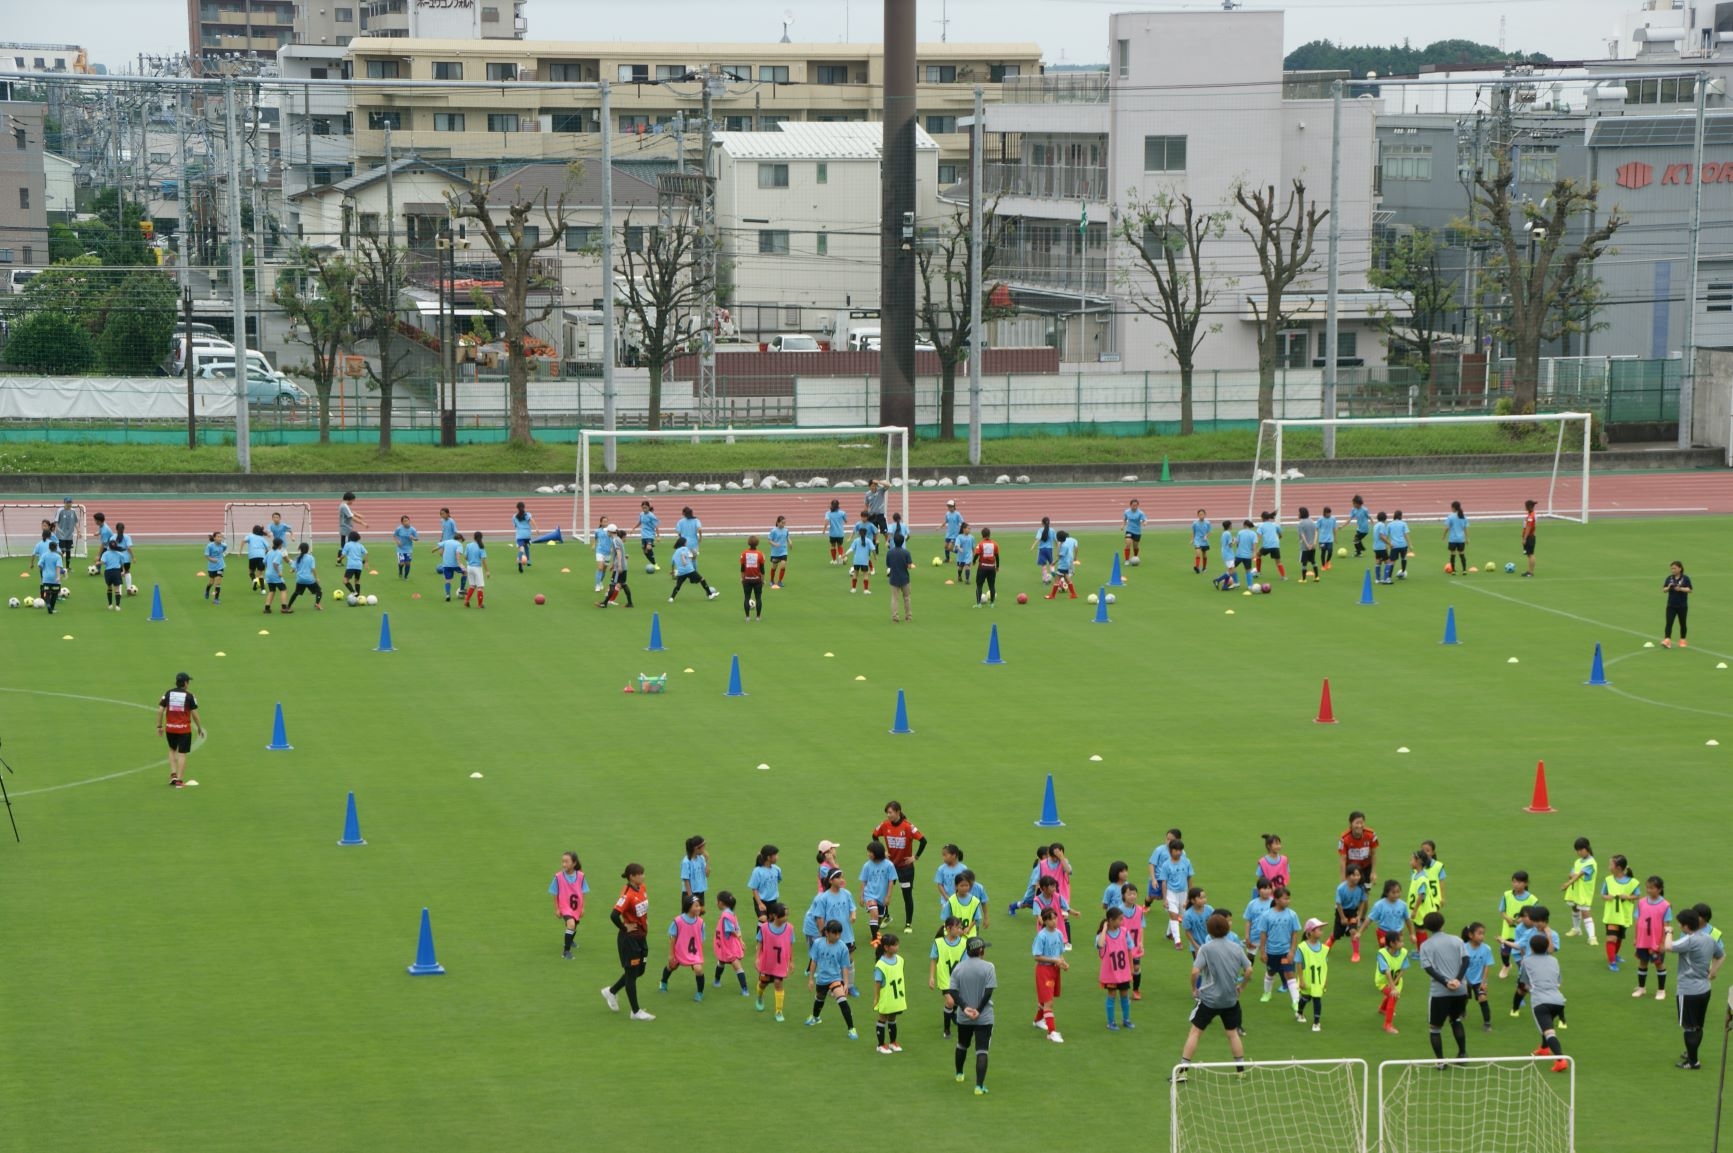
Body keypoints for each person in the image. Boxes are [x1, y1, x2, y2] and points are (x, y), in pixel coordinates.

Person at [1173, 913, 1253, 1082]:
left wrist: (1194, 989)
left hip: (1209, 1000)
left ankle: (1183, 1072)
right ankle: (1240, 1071)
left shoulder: (1206, 948)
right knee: (1232, 1034)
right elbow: (1249, 969)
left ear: (1209, 930)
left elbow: (1195, 972)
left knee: (1195, 1032)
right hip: (1230, 999)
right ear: (1227, 928)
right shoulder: (1236, 947)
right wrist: (1242, 986)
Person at [1666, 907, 1725, 1069]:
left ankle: (1693, 1061)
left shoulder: (1689, 940)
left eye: (1680, 924)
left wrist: (1668, 932)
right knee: (1698, 1026)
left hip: (1688, 990)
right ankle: (1692, 1055)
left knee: (1689, 1028)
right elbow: (1721, 955)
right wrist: (1712, 972)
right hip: (1705, 989)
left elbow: (1668, 947)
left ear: (1686, 926)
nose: (1679, 926)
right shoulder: (1709, 938)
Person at [601, 863, 654, 1020]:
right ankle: (635, 1012)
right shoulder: (627, 895)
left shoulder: (642, 888)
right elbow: (614, 915)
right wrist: (625, 927)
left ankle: (611, 991)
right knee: (631, 974)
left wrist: (645, 920)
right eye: (640, 874)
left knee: (639, 971)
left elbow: (642, 909)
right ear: (632, 876)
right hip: (629, 940)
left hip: (641, 937)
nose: (643, 876)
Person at [946, 937, 997, 1095]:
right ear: (980, 950)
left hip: (964, 1016)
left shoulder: (959, 968)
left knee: (962, 1045)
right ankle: (979, 1086)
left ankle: (959, 1074)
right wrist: (979, 1010)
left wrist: (965, 1007)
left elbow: (952, 991)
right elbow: (988, 991)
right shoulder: (988, 967)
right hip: (984, 1017)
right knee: (982, 1051)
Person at [1418, 911, 1470, 1062]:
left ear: (1426, 927)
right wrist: (1458, 980)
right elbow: (1466, 960)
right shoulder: (1457, 940)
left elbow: (1429, 968)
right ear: (1443, 923)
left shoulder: (1425, 945)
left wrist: (1446, 982)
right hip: (1460, 990)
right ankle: (1462, 1054)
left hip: (1440, 992)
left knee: (1435, 1029)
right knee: (1456, 1020)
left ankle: (1440, 1061)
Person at [870, 801, 927, 931]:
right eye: (887, 813)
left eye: (890, 812)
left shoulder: (908, 827)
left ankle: (908, 924)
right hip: (890, 867)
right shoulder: (885, 825)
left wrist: (915, 857)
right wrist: (882, 852)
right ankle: (886, 916)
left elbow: (923, 841)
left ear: (898, 812)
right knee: (883, 892)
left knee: (906, 895)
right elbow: (874, 836)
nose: (888, 815)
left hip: (905, 869)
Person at [1517, 934, 1570, 1072]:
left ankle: (1560, 1060)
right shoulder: (1554, 960)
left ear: (1531, 948)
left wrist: (1528, 990)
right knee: (1546, 1023)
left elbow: (1523, 983)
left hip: (1540, 1002)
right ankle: (1544, 1048)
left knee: (1549, 1032)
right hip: (1558, 1001)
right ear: (1547, 947)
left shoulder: (1526, 961)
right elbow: (1558, 981)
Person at [804, 919, 858, 1039]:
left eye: (839, 933)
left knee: (842, 1001)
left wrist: (846, 984)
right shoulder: (818, 943)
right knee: (819, 999)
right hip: (821, 979)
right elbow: (814, 961)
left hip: (835, 979)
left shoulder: (843, 947)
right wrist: (811, 979)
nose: (838, 936)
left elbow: (844, 967)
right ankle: (816, 1017)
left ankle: (851, 1028)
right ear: (827, 933)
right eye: (835, 933)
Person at [1255, 885, 1302, 1013]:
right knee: (1271, 972)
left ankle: (1296, 1001)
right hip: (1271, 953)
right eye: (1285, 899)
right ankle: (1267, 993)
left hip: (1285, 953)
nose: (1288, 901)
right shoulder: (1266, 915)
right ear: (1276, 900)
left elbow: (1294, 934)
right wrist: (1263, 952)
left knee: (1289, 973)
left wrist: (1292, 951)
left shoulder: (1292, 915)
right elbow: (1263, 934)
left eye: (1288, 898)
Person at [156, 671, 205, 789]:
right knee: (182, 753)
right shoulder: (189, 696)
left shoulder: (168, 693)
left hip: (170, 728)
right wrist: (199, 728)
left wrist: (159, 726)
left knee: (172, 749)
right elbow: (194, 714)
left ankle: (173, 775)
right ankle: (179, 780)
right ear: (185, 683)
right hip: (184, 730)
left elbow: (160, 710)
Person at [1633, 875, 1672, 999]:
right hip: (1643, 940)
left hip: (1656, 941)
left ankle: (1661, 990)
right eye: (1647, 887)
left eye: (1651, 888)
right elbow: (1638, 921)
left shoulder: (1665, 905)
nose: (1648, 890)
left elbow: (1666, 926)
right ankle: (1641, 988)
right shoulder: (1641, 902)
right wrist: (1636, 938)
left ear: (1659, 889)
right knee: (1642, 962)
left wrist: (1662, 943)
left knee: (1658, 964)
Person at [1096, 906, 1135, 1030]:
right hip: (1110, 973)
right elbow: (1100, 944)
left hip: (1123, 972)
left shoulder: (1124, 932)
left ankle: (1126, 1020)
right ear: (1111, 920)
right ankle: (1111, 1022)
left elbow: (1130, 950)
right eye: (1119, 919)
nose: (1122, 922)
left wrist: (1131, 968)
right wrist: (1104, 929)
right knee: (1111, 995)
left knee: (1125, 995)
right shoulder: (1102, 936)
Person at [930, 915, 968, 1039]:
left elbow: (965, 962)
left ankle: (951, 1014)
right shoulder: (938, 942)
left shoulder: (963, 943)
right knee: (950, 1001)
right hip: (944, 977)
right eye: (957, 927)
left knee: (956, 1001)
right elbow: (933, 960)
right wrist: (931, 977)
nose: (960, 930)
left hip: (958, 978)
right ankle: (946, 1030)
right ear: (948, 928)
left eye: (960, 927)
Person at [755, 901, 794, 1019]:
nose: (786, 918)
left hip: (781, 962)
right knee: (763, 983)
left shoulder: (789, 928)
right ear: (776, 916)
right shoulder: (764, 928)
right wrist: (757, 958)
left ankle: (779, 1011)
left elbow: (790, 945)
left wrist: (791, 961)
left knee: (778, 983)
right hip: (767, 961)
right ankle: (759, 997)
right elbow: (760, 943)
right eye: (784, 915)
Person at [1497, 870, 1539, 978]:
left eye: (1519, 882)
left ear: (1526, 883)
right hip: (1508, 930)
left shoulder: (1532, 899)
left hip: (1524, 932)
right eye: (1514, 882)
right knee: (1504, 952)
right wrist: (1507, 918)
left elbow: (1537, 915)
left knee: (1522, 953)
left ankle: (1524, 972)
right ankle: (1506, 965)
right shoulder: (1507, 895)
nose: (1516, 884)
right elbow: (1502, 910)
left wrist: (1524, 919)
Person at [859, 841, 897, 956]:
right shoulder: (867, 865)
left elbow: (891, 882)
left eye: (870, 852)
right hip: (870, 894)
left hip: (882, 896)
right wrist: (861, 896)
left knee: (879, 917)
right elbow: (863, 881)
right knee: (874, 913)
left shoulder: (889, 865)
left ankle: (875, 931)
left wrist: (888, 896)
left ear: (876, 852)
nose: (868, 854)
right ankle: (875, 939)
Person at [1602, 855, 1639, 972]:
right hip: (1612, 914)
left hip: (1624, 915)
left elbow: (1637, 895)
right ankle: (1612, 962)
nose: (1609, 867)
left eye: (1610, 864)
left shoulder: (1632, 882)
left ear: (1618, 868)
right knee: (1611, 938)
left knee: (1619, 937)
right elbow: (1603, 894)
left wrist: (1627, 897)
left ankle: (1614, 955)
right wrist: (1607, 897)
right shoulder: (1608, 880)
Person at [1154, 839, 1194, 949]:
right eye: (1176, 850)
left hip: (1183, 893)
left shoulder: (1187, 862)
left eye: (1180, 850)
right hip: (1171, 893)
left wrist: (1190, 896)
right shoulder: (1166, 865)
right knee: (1174, 915)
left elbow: (1190, 878)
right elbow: (1164, 882)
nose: (1179, 852)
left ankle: (1169, 933)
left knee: (1182, 915)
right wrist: (1165, 899)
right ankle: (1178, 941)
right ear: (1170, 851)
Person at [873, 932, 908, 1053]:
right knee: (883, 1018)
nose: (897, 947)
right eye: (894, 945)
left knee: (893, 1017)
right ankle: (880, 1045)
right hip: (886, 996)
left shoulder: (900, 960)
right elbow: (878, 983)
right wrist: (876, 997)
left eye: (897, 944)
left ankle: (893, 1042)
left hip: (896, 996)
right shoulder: (880, 964)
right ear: (886, 947)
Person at [550, 851, 588, 959]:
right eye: (563, 861)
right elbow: (554, 893)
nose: (564, 864)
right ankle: (566, 951)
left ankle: (570, 940)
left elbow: (583, 892)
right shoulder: (558, 877)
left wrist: (583, 907)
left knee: (574, 926)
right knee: (571, 924)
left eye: (567, 862)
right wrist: (557, 909)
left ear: (574, 863)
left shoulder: (581, 876)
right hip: (565, 906)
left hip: (576, 907)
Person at [711, 891, 750, 996]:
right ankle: (717, 981)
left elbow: (731, 930)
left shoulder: (725, 915)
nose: (716, 903)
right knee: (721, 961)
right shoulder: (732, 914)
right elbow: (737, 928)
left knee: (735, 965)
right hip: (727, 944)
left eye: (717, 901)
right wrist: (741, 940)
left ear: (721, 903)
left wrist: (738, 938)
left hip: (728, 945)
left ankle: (744, 989)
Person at [1562, 836, 1599, 946]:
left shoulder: (1591, 862)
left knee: (1585, 913)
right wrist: (1571, 877)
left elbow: (1579, 875)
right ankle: (1576, 929)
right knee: (1574, 907)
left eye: (1581, 850)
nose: (1579, 852)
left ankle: (1592, 937)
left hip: (1584, 892)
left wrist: (1567, 883)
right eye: (1577, 850)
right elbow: (1572, 874)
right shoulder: (1578, 861)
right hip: (1575, 890)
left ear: (1587, 848)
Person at [1296, 918, 1329, 1030]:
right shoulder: (1302, 947)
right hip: (1307, 978)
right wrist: (1301, 980)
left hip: (1318, 980)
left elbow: (1324, 966)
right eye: (1319, 929)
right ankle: (1299, 1012)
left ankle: (1316, 1023)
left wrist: (1325, 980)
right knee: (1306, 997)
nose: (1321, 932)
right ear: (1310, 932)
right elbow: (1299, 964)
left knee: (1317, 999)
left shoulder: (1324, 948)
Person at [1376, 929, 1410, 1034]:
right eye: (1400, 941)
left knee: (1394, 994)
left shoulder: (1403, 952)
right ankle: (1387, 1025)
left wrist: (1395, 983)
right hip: (1382, 982)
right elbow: (1386, 971)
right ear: (1392, 943)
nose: (1403, 943)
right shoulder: (1382, 954)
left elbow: (1403, 968)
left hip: (1396, 981)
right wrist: (1392, 987)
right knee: (1393, 996)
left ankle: (1382, 1009)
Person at [1462, 922, 1495, 1031]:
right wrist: (1463, 980)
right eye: (1479, 933)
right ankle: (1462, 1010)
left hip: (1479, 980)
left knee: (1482, 998)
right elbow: (1460, 965)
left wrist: (1483, 982)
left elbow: (1487, 966)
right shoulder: (1463, 948)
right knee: (1463, 997)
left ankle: (1487, 1023)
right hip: (1465, 979)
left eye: (1483, 934)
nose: (1482, 936)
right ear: (1471, 935)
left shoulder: (1486, 948)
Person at [1369, 879, 1413, 952]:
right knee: (1385, 952)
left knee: (1397, 952)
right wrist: (1359, 932)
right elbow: (1369, 919)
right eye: (1393, 892)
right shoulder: (1379, 905)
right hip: (1383, 933)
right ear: (1387, 893)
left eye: (1398, 892)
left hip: (1398, 933)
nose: (1396, 895)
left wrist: (1411, 934)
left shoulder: (1403, 905)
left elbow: (1407, 920)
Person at [668, 537, 719, 602]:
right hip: (689, 570)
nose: (686, 543)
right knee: (702, 579)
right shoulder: (685, 548)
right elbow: (684, 554)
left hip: (681, 572)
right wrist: (685, 559)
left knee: (678, 586)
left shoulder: (674, 553)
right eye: (686, 542)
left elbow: (672, 563)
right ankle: (710, 595)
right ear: (683, 543)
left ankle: (671, 598)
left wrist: (673, 572)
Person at [1335, 864, 1367, 963]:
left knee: (1353, 931)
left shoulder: (1361, 888)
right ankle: (1328, 944)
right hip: (1341, 911)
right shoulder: (1341, 888)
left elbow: (1363, 901)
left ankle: (1356, 953)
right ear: (1348, 876)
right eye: (1354, 875)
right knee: (1337, 934)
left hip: (1353, 911)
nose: (1357, 877)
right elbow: (1338, 904)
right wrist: (1342, 917)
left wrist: (1359, 915)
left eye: (1358, 875)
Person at [1339, 810, 1380, 886]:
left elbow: (1373, 854)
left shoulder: (1371, 835)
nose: (1359, 826)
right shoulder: (1344, 838)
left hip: (1366, 868)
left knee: (1366, 890)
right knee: (1352, 890)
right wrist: (1343, 879)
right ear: (1350, 824)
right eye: (1357, 823)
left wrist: (1373, 872)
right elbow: (1343, 859)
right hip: (1351, 869)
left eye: (1361, 823)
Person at [599, 526, 633, 608]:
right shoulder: (618, 539)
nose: (607, 533)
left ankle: (604, 603)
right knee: (623, 584)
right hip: (623, 565)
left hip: (619, 567)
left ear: (610, 532)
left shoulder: (615, 540)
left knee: (612, 585)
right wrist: (613, 564)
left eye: (607, 531)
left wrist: (619, 565)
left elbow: (618, 552)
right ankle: (630, 603)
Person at [747, 845, 783, 924]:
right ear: (768, 857)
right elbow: (754, 888)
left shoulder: (777, 869)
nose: (777, 857)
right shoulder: (757, 871)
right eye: (775, 855)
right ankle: (760, 932)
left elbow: (778, 880)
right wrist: (760, 903)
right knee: (763, 919)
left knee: (771, 921)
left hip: (773, 901)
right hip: (761, 900)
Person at [284, 542, 322, 612]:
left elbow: (293, 569)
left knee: (296, 593)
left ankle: (288, 606)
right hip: (309, 579)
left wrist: (292, 570)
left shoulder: (297, 558)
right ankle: (317, 603)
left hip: (300, 579)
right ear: (308, 549)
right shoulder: (311, 558)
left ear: (300, 549)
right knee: (319, 591)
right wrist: (316, 578)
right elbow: (313, 569)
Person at [1662, 561, 1692, 647]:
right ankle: (1667, 640)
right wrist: (1668, 588)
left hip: (1682, 606)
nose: (1673, 570)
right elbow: (1664, 589)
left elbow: (1690, 589)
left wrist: (1681, 589)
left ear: (1680, 568)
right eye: (1672, 568)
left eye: (1674, 568)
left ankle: (1682, 640)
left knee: (1682, 623)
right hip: (1671, 605)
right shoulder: (1669, 578)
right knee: (1669, 623)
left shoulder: (1685, 578)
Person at [35, 530, 64, 614]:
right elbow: (58, 567)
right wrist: (58, 576)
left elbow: (39, 565)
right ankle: (52, 608)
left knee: (47, 593)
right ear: (55, 548)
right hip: (54, 578)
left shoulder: (44, 555)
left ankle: (47, 604)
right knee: (55, 593)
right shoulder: (58, 557)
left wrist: (43, 570)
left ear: (49, 548)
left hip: (46, 578)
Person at [886, 531, 914, 621]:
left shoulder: (890, 552)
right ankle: (908, 616)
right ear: (903, 542)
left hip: (894, 578)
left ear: (894, 541)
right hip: (905, 578)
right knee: (907, 598)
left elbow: (888, 565)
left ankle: (895, 616)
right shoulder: (906, 552)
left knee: (894, 598)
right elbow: (909, 566)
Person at [740, 535, 766, 621]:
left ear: (749, 543)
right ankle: (758, 617)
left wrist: (742, 578)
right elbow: (762, 569)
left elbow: (742, 568)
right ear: (757, 543)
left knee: (746, 597)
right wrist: (763, 580)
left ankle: (747, 617)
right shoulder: (760, 554)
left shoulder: (744, 553)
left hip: (747, 579)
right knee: (758, 598)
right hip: (757, 579)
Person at [679, 835, 710, 907]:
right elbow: (686, 881)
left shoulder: (701, 858)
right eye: (703, 847)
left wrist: (707, 860)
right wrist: (691, 898)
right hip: (689, 894)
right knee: (688, 914)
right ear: (696, 849)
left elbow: (707, 874)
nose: (704, 849)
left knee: (699, 914)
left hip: (700, 892)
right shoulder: (686, 862)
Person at [335, 492, 366, 565]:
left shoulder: (343, 505)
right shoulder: (344, 506)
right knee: (349, 545)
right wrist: (362, 523)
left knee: (344, 546)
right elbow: (351, 517)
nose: (353, 502)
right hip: (346, 529)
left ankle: (339, 561)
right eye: (352, 500)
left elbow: (350, 513)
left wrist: (357, 515)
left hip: (345, 528)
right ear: (349, 499)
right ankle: (356, 560)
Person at [434, 533, 466, 602]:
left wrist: (433, 550)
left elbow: (439, 547)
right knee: (465, 572)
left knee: (448, 580)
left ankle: (448, 595)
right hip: (455, 565)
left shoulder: (447, 541)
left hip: (446, 565)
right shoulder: (459, 544)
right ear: (460, 539)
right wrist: (460, 564)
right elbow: (457, 555)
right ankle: (462, 589)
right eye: (462, 540)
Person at [1048, 530, 1079, 600]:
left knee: (1056, 579)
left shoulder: (1064, 546)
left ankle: (1052, 596)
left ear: (1058, 538)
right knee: (1067, 579)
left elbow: (1060, 556)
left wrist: (1054, 562)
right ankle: (1073, 594)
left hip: (1063, 565)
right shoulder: (1062, 544)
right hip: (1066, 564)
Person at [972, 527, 999, 607]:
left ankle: (978, 604)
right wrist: (997, 566)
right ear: (989, 534)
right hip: (992, 568)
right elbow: (997, 556)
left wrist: (974, 561)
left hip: (982, 567)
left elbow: (977, 554)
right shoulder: (995, 544)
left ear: (982, 535)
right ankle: (992, 603)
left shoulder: (980, 544)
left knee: (979, 585)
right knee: (991, 585)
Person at [461, 531, 489, 608]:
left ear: (474, 537)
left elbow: (465, 557)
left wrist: (470, 560)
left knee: (472, 585)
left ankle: (466, 600)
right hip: (477, 568)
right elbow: (483, 560)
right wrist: (487, 571)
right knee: (480, 587)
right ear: (481, 538)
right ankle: (480, 604)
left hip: (469, 567)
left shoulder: (468, 545)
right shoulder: (481, 547)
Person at [1255, 510, 1285, 581]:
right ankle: (1283, 576)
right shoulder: (1275, 525)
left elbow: (1258, 538)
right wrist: (1277, 539)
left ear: (1262, 518)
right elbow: (1281, 535)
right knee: (1278, 561)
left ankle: (1258, 572)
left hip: (1267, 546)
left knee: (1258, 555)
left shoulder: (1261, 526)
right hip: (1275, 545)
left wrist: (1254, 547)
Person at [100, 534, 127, 612]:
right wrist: (123, 571)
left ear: (109, 546)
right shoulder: (120, 554)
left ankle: (110, 605)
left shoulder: (105, 554)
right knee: (117, 589)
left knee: (109, 587)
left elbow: (103, 562)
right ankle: (117, 606)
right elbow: (122, 563)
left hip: (108, 572)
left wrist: (97, 563)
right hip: (116, 572)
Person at [847, 524, 875, 595]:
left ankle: (853, 589)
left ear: (859, 533)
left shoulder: (856, 540)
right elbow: (873, 549)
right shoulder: (868, 541)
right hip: (864, 561)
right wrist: (875, 557)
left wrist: (845, 554)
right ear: (866, 533)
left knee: (855, 574)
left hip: (856, 560)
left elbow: (851, 549)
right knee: (865, 575)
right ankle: (866, 590)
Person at [1444, 501, 1469, 573]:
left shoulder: (1450, 517)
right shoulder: (1463, 517)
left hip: (1453, 539)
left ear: (1454, 508)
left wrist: (1444, 535)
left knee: (1453, 554)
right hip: (1461, 539)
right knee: (1462, 554)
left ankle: (1453, 571)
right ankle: (1464, 570)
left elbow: (1447, 528)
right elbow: (1465, 528)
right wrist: (1467, 538)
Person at [1295, 507, 1320, 583]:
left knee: (1304, 562)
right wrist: (1314, 543)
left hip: (1305, 547)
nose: (1298, 514)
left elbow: (1302, 535)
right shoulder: (1312, 521)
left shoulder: (1300, 524)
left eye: (1299, 512)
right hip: (1313, 546)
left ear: (1301, 514)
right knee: (1313, 561)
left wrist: (1307, 544)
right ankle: (1317, 577)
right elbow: (1316, 532)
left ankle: (1304, 579)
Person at [340, 531, 367, 600]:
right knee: (357, 580)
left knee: (345, 580)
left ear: (350, 537)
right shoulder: (360, 545)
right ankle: (358, 597)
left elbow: (343, 555)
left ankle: (353, 592)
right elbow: (366, 553)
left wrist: (339, 559)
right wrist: (365, 562)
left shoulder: (348, 545)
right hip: (359, 566)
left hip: (351, 565)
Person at [54, 496, 79, 569]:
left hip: (69, 536)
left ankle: (68, 567)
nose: (69, 504)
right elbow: (56, 521)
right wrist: (58, 530)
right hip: (61, 535)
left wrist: (78, 531)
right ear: (64, 503)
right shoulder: (60, 510)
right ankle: (59, 567)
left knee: (68, 551)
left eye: (70, 502)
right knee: (61, 551)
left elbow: (75, 522)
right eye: (67, 502)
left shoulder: (73, 511)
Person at [244, 523, 269, 592]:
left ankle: (254, 580)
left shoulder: (250, 535)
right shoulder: (262, 538)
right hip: (261, 556)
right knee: (260, 574)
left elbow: (244, 540)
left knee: (251, 571)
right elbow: (267, 548)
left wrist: (240, 551)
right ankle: (263, 590)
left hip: (252, 556)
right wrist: (265, 554)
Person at [392, 515, 419, 581]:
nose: (406, 522)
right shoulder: (399, 529)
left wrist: (413, 538)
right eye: (404, 521)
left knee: (408, 563)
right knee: (401, 563)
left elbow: (417, 538)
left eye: (407, 520)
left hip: (408, 549)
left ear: (409, 521)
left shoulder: (413, 530)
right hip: (400, 549)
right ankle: (400, 570)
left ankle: (406, 576)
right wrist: (397, 541)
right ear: (402, 522)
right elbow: (394, 536)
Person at [593, 515, 615, 594]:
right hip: (599, 551)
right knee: (600, 568)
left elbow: (614, 539)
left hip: (608, 553)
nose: (606, 523)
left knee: (604, 570)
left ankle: (600, 581)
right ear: (601, 523)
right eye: (604, 522)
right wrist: (594, 544)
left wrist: (612, 548)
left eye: (607, 521)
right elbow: (596, 538)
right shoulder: (597, 531)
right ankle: (597, 585)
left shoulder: (610, 531)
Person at [1387, 510, 1412, 580]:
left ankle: (1388, 577)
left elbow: (1386, 535)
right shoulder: (1404, 524)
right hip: (1403, 545)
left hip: (1394, 545)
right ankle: (1403, 572)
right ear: (1401, 516)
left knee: (1392, 561)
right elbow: (1406, 534)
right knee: (1404, 558)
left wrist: (1388, 545)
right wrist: (1410, 544)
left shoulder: (1390, 524)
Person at [767, 515, 790, 589]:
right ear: (778, 522)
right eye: (782, 523)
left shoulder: (786, 530)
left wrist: (790, 542)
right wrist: (775, 544)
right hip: (775, 553)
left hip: (783, 551)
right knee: (774, 567)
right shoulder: (773, 531)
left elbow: (787, 538)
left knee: (783, 566)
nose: (783, 524)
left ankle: (780, 581)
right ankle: (771, 580)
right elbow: (769, 540)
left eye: (784, 523)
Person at [638, 501, 660, 572]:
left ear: (648, 507)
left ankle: (655, 564)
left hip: (650, 534)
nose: (644, 509)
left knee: (648, 547)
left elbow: (656, 526)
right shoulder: (641, 514)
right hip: (643, 535)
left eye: (646, 508)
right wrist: (633, 528)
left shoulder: (651, 516)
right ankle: (654, 563)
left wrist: (658, 536)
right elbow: (640, 522)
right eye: (643, 508)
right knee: (645, 551)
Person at [1122, 498, 1146, 564]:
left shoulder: (1140, 513)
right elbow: (1125, 519)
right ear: (1130, 505)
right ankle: (1126, 560)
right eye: (1133, 505)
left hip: (1137, 531)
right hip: (1129, 530)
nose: (1134, 507)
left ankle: (1135, 557)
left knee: (1135, 546)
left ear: (1138, 505)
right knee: (1128, 544)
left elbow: (1144, 520)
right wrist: (1123, 526)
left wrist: (1144, 523)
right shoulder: (1126, 512)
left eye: (1136, 505)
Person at [1032, 515, 1056, 582]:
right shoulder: (1052, 530)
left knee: (1043, 565)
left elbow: (1038, 538)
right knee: (1051, 563)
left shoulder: (1040, 530)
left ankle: (1045, 579)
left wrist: (1033, 546)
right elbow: (1056, 540)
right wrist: (1058, 548)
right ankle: (1053, 571)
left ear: (1042, 523)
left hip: (1042, 549)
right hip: (1049, 549)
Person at [826, 499, 849, 565]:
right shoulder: (842, 513)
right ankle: (841, 555)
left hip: (832, 533)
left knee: (833, 546)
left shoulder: (828, 513)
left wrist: (824, 530)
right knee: (840, 545)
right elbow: (846, 521)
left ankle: (834, 560)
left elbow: (827, 522)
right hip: (840, 533)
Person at [1190, 509, 1211, 574]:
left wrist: (1206, 536)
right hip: (1197, 540)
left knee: (1204, 555)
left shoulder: (1208, 523)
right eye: (1200, 514)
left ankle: (1204, 568)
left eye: (1202, 514)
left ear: (1205, 515)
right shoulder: (1194, 523)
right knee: (1198, 553)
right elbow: (1193, 532)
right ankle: (1197, 567)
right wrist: (1192, 539)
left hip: (1204, 541)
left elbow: (1209, 532)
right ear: (1198, 515)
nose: (1201, 515)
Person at [952, 522, 973, 587]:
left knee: (967, 566)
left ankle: (967, 579)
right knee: (960, 568)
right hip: (961, 556)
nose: (969, 530)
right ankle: (959, 576)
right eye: (968, 528)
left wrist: (975, 554)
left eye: (970, 528)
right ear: (964, 529)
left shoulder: (971, 537)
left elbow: (973, 547)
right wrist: (959, 548)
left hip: (968, 555)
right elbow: (957, 544)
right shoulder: (959, 537)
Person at [1317, 506, 1338, 570]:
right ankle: (1323, 566)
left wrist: (1335, 538)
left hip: (1330, 539)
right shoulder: (1320, 519)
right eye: (1328, 513)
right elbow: (1317, 528)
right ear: (1324, 513)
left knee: (1330, 551)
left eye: (1330, 513)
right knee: (1323, 552)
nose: (1329, 514)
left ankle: (1327, 562)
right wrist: (1316, 538)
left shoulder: (1333, 519)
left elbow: (1334, 528)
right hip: (1322, 540)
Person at [944, 499, 964, 564]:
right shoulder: (947, 513)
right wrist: (940, 527)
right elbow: (946, 521)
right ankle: (947, 559)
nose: (949, 508)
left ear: (954, 506)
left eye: (950, 506)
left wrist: (962, 531)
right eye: (948, 506)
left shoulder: (957, 514)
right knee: (945, 546)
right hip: (948, 533)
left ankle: (961, 553)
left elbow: (962, 522)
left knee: (950, 548)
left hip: (955, 534)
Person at [1521, 498, 1538, 577]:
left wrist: (1525, 538)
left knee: (1530, 554)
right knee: (1529, 554)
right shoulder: (1532, 514)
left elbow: (1528, 527)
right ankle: (1529, 571)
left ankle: (1530, 572)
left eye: (1525, 506)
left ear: (1528, 506)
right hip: (1530, 536)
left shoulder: (1531, 516)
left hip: (1529, 537)